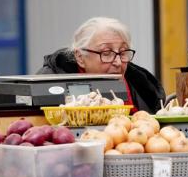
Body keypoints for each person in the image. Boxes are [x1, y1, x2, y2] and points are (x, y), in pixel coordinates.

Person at [37, 17, 166, 114]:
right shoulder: (46, 83)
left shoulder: (143, 87)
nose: (118, 62)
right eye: (107, 53)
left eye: (123, 52)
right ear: (80, 57)